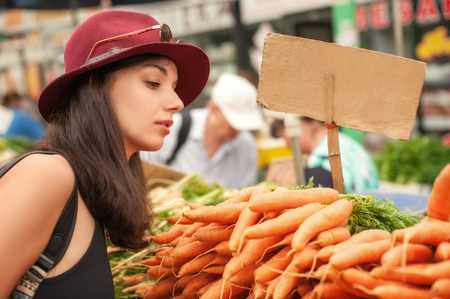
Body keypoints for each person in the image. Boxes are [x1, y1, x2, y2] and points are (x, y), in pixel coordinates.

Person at [0, 10, 209, 298]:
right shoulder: (46, 175)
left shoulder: (93, 189)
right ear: (94, 87)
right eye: (152, 83)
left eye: (173, 87)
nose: (177, 102)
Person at [141, 72, 264, 189]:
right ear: (213, 108)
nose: (238, 129)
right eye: (234, 122)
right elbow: (143, 173)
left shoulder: (246, 144)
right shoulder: (174, 128)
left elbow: (247, 189)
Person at [269, 116, 379, 193]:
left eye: (284, 138)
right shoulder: (349, 144)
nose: (287, 145)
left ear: (299, 125)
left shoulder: (319, 163)